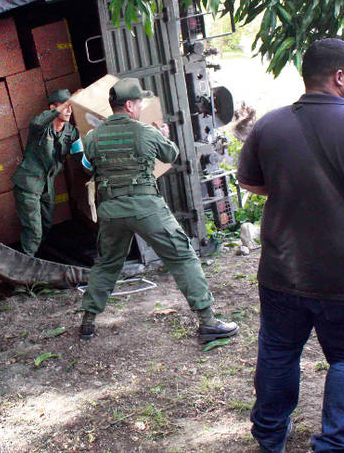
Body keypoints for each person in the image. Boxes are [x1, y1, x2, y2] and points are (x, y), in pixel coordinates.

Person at [237, 38, 344, 452]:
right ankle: (333, 443)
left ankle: (270, 434)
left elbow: (249, 180)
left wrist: (292, 188)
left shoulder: (270, 124)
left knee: (278, 351)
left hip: (281, 269)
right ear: (340, 76)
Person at [79, 77, 238, 345]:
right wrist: (163, 135)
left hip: (110, 209)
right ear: (129, 105)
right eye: (139, 102)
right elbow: (170, 155)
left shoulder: (93, 137)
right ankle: (208, 321)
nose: (140, 106)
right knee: (182, 255)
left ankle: (87, 323)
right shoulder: (145, 132)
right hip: (145, 207)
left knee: (107, 263)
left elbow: (87, 166)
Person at [11, 89, 80, 257]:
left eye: (72, 107)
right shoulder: (40, 127)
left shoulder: (71, 132)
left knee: (46, 225)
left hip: (46, 187)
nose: (69, 110)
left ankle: (32, 259)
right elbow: (37, 122)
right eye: (66, 106)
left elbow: (80, 154)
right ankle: (24, 276)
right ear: (53, 108)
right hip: (28, 185)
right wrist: (68, 101)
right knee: (34, 232)